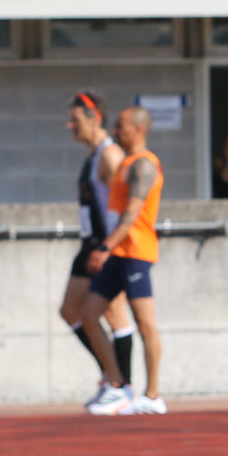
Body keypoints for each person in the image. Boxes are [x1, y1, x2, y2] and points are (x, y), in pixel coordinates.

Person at [87, 106, 167, 415]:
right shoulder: (125, 163)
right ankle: (118, 385)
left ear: (138, 129)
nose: (116, 131)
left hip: (136, 253)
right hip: (118, 253)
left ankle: (153, 395)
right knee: (89, 314)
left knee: (145, 324)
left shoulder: (145, 165)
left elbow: (131, 214)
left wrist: (104, 247)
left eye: (121, 126)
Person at [58, 91, 131, 411]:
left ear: (94, 118)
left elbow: (126, 206)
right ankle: (112, 377)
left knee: (113, 315)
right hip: (90, 243)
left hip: (105, 245)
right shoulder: (94, 155)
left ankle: (121, 386)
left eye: (75, 120)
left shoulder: (110, 155)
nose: (70, 126)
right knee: (71, 311)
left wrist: (110, 246)